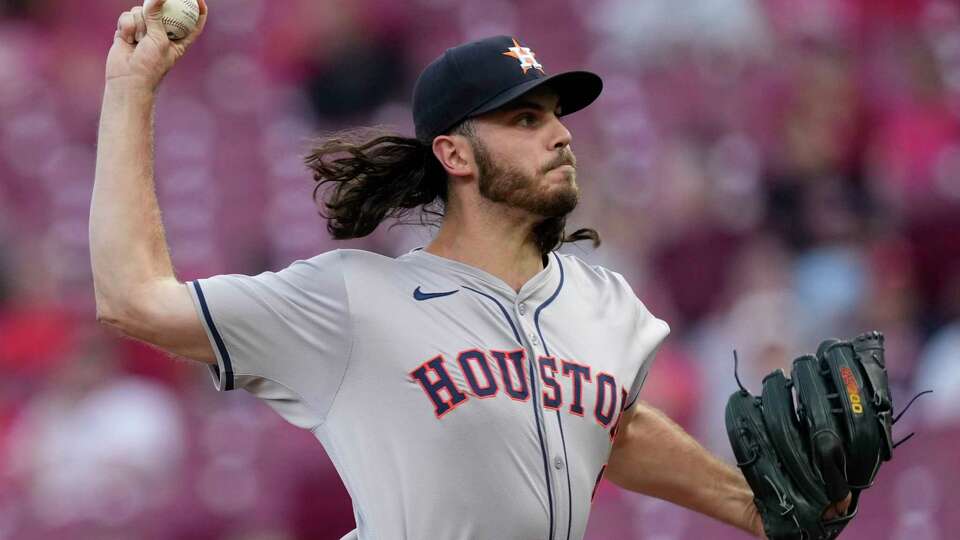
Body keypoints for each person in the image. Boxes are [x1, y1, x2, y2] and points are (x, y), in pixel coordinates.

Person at [91, 1, 845, 538]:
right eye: (524, 119)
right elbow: (134, 300)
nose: (558, 135)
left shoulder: (602, 301)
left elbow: (603, 421)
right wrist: (132, 91)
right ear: (453, 154)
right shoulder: (357, 297)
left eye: (556, 114)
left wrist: (754, 507)